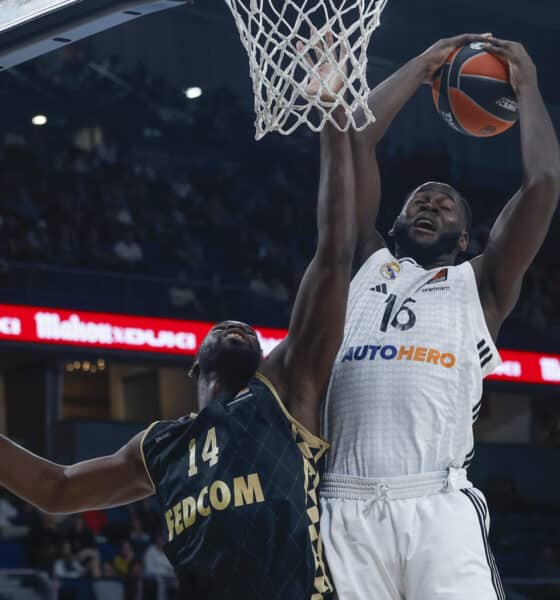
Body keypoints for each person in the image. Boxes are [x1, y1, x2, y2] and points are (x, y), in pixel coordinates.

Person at [0, 32, 355, 600]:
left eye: (248, 332)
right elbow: (56, 487)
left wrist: (335, 112)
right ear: (195, 365)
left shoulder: (285, 397)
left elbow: (336, 252)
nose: (236, 325)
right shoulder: (159, 447)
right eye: (221, 328)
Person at [319, 33, 560, 600]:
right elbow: (354, 141)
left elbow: (544, 184)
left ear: (465, 237)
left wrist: (526, 85)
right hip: (343, 503)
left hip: (437, 502)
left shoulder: (480, 283)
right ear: (396, 222)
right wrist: (422, 64)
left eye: (444, 204)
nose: (429, 204)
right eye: (419, 201)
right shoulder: (364, 262)